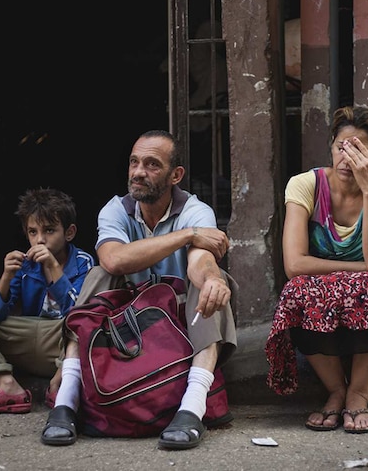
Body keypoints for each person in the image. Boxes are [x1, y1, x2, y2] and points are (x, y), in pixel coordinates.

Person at [40, 129, 238, 450]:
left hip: (177, 327)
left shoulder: (196, 211)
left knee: (214, 284)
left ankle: (192, 409)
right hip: (126, 328)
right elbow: (115, 260)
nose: (138, 173)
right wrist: (187, 235)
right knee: (100, 274)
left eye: (151, 164)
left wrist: (212, 277)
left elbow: (199, 262)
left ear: (176, 175)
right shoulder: (116, 209)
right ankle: (66, 401)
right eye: (134, 163)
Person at [265, 106, 368, 434]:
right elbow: (295, 264)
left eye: (358, 150)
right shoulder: (306, 185)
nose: (346, 158)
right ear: (331, 147)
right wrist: (359, 267)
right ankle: (335, 389)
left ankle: (359, 393)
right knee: (298, 290)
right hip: (322, 295)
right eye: (340, 148)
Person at [0, 187, 94, 415]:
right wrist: (6, 277)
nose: (40, 240)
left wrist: (53, 267)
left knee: (84, 325)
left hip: (60, 340)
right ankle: (7, 384)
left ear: (69, 233)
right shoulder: (25, 265)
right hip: (26, 334)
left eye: (49, 230)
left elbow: (78, 312)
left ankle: (61, 381)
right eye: (33, 232)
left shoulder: (83, 262)